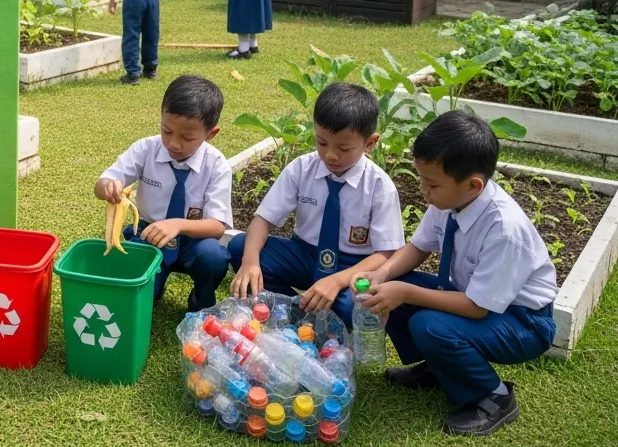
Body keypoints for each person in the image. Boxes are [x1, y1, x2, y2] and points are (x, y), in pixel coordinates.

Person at [358, 111, 557, 437]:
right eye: (422, 178)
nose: (422, 188)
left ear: (473, 185)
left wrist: (404, 293)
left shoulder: (503, 229)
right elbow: (418, 247)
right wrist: (382, 275)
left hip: (524, 322)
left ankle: (494, 397)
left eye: (431, 182)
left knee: (428, 323)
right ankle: (441, 368)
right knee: (392, 287)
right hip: (481, 304)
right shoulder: (450, 201)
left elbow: (477, 308)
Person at [228, 82, 404, 325]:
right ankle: (296, 311)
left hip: (352, 265)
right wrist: (250, 262)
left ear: (370, 142)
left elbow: (386, 253)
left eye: (343, 148)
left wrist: (338, 280)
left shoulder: (379, 186)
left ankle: (323, 316)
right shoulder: (302, 168)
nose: (330, 155)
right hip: (305, 254)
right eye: (321, 143)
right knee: (240, 247)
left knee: (352, 305)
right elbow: (263, 220)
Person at [95, 75, 232, 312]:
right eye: (166, 131)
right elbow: (104, 183)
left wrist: (178, 225)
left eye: (187, 137)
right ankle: (155, 283)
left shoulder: (217, 165)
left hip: (193, 240)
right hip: (151, 234)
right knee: (144, 295)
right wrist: (107, 186)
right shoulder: (146, 149)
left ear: (211, 134)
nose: (174, 144)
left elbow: (218, 226)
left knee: (213, 257)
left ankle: (201, 298)